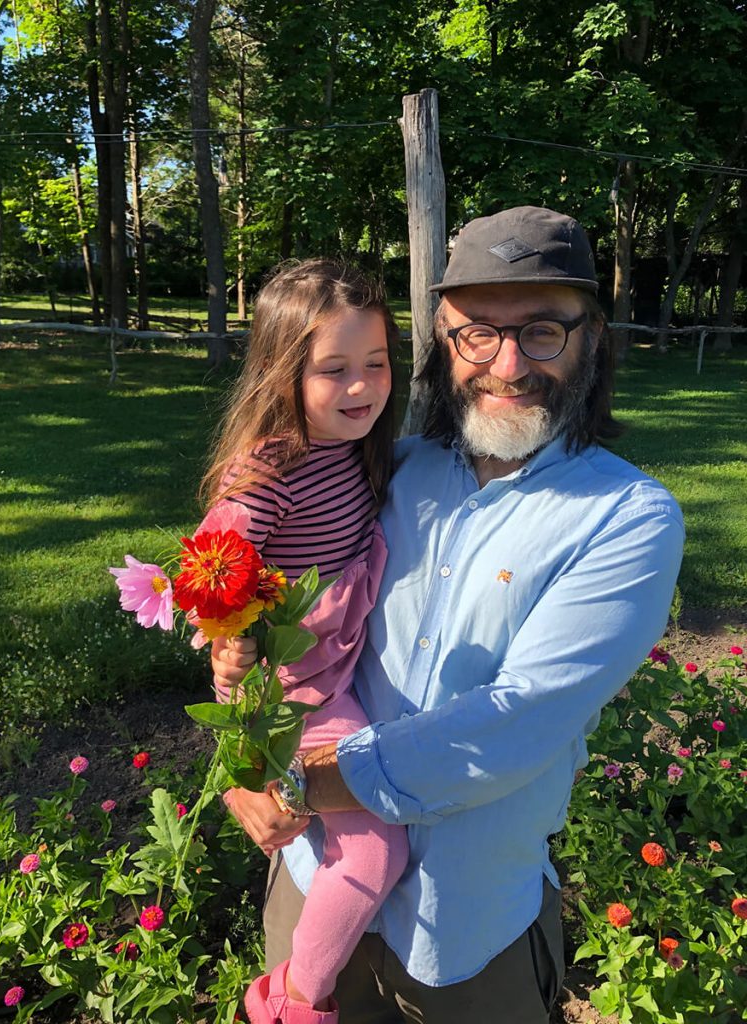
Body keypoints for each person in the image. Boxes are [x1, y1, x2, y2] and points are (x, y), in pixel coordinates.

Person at [217, 207, 685, 1024]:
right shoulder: (386, 471)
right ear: (443, 338)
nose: (507, 363)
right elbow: (263, 611)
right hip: (316, 879)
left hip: (466, 927)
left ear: (592, 337)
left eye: (542, 330)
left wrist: (296, 780)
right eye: (477, 334)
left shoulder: (627, 517)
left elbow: (514, 724)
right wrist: (241, 762)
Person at [196, 259, 409, 1024]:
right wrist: (227, 648)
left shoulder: (357, 447)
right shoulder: (269, 475)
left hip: (331, 669)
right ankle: (293, 1000)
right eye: (335, 370)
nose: (362, 387)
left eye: (377, 364)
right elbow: (211, 572)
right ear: (286, 372)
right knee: (378, 848)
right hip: (291, 692)